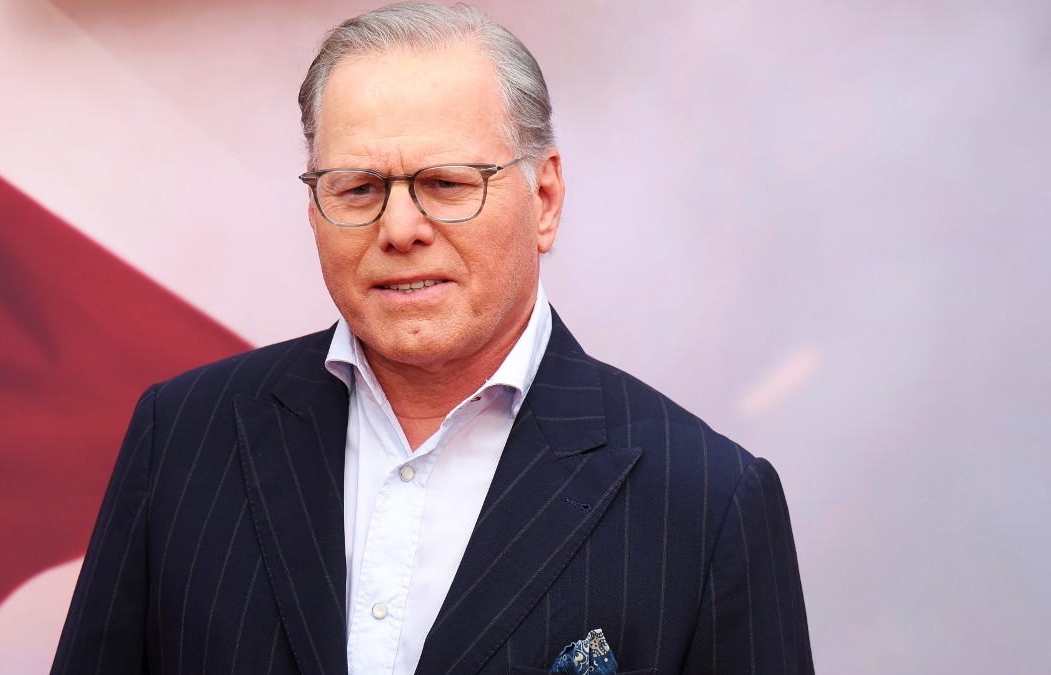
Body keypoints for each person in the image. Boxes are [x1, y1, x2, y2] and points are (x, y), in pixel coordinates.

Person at [52, 3, 813, 674]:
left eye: (447, 183)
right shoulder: (182, 436)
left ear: (545, 198)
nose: (400, 229)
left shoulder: (708, 503)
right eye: (358, 188)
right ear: (315, 207)